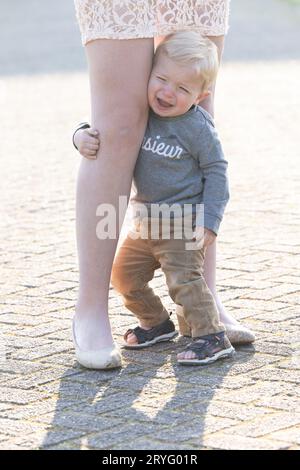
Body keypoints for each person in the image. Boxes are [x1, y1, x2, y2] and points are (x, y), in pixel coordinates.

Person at [73, 0, 253, 370]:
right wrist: (78, 136)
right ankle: (90, 310)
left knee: (197, 115)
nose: (166, 90)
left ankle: (201, 304)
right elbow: (93, 132)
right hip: (151, 219)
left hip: (180, 219)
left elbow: (215, 166)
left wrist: (210, 218)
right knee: (118, 123)